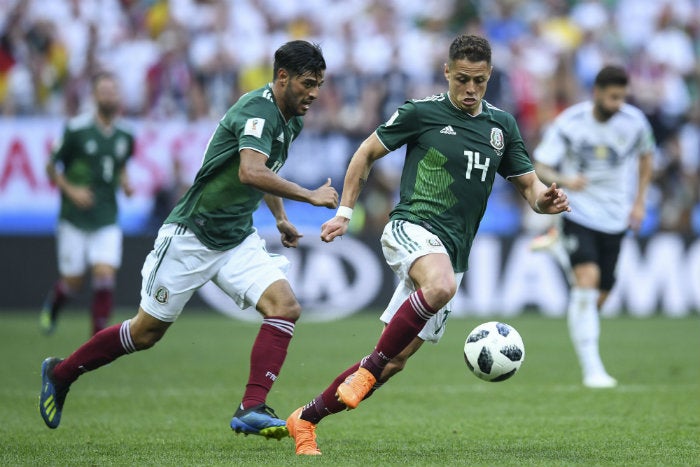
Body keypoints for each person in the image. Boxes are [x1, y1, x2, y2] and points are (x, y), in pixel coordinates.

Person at [285, 34, 571, 456]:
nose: (470, 90)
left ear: (489, 75)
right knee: (438, 288)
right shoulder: (422, 113)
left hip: (453, 252)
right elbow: (365, 153)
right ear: (446, 72)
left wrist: (546, 200)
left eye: (479, 81)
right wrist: (345, 213)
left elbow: (530, 187)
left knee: (395, 359)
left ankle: (305, 419)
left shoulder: (501, 127)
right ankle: (368, 371)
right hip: (412, 226)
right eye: (462, 80)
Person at [39, 40, 338, 439]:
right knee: (145, 333)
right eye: (308, 83)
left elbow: (263, 171)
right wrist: (309, 195)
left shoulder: (291, 118)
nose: (314, 93)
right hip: (190, 236)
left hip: (234, 237)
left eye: (319, 84)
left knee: (284, 307)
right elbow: (250, 171)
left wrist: (281, 217)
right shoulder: (257, 111)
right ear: (282, 77)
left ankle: (251, 407)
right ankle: (59, 373)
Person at [529, 64, 654, 388]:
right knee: (587, 280)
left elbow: (646, 157)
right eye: (612, 97)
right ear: (596, 92)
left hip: (615, 216)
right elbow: (540, 163)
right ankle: (593, 370)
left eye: (622, 98)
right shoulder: (570, 122)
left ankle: (559, 252)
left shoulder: (634, 122)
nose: (617, 104)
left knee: (599, 296)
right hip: (578, 211)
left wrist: (639, 202)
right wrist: (567, 179)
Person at [40, 72, 135, 336]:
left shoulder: (125, 134)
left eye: (112, 91)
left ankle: (98, 338)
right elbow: (50, 166)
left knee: (105, 275)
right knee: (73, 281)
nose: (109, 96)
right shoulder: (77, 129)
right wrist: (72, 191)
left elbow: (121, 164)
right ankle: (54, 305)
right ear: (94, 96)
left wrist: (126, 183)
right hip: (75, 217)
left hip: (107, 214)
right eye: (103, 91)